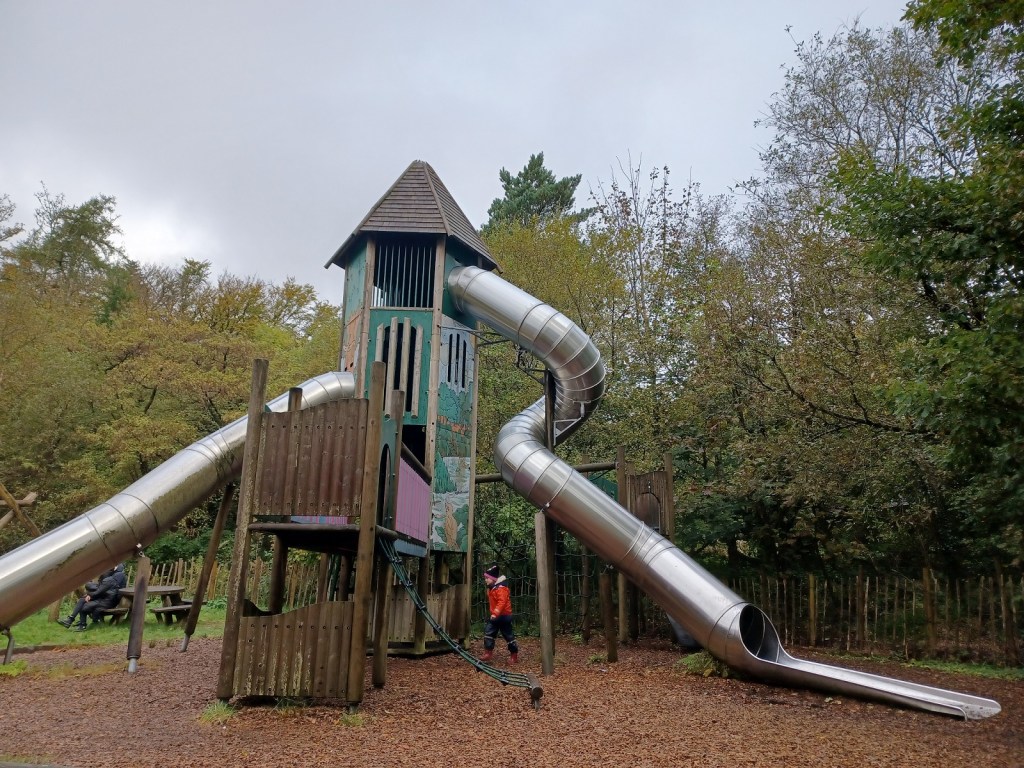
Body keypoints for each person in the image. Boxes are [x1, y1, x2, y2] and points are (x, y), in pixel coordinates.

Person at [57, 563, 127, 631]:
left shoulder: (115, 576)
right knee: (82, 600)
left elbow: (102, 590)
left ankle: (80, 624)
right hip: (105, 598)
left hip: (107, 600)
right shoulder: (112, 576)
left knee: (84, 604)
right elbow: (101, 588)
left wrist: (90, 595)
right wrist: (90, 594)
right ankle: (72, 620)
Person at [480, 564, 518, 663]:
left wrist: (495, 612)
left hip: (504, 616)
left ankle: (514, 654)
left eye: (487, 578)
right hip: (495, 617)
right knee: (489, 632)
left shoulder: (501, 588)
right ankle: (488, 652)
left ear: (493, 579)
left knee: (508, 635)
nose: (486, 580)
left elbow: (502, 602)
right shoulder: (492, 588)